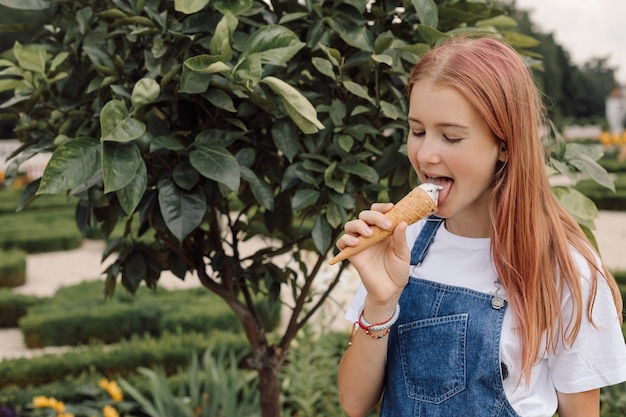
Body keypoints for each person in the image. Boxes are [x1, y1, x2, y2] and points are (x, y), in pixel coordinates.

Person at [335, 34, 626, 417]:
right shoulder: (403, 244)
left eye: (451, 136)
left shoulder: (568, 271)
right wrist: (380, 302)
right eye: (417, 130)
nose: (425, 154)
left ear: (504, 145)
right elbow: (355, 403)